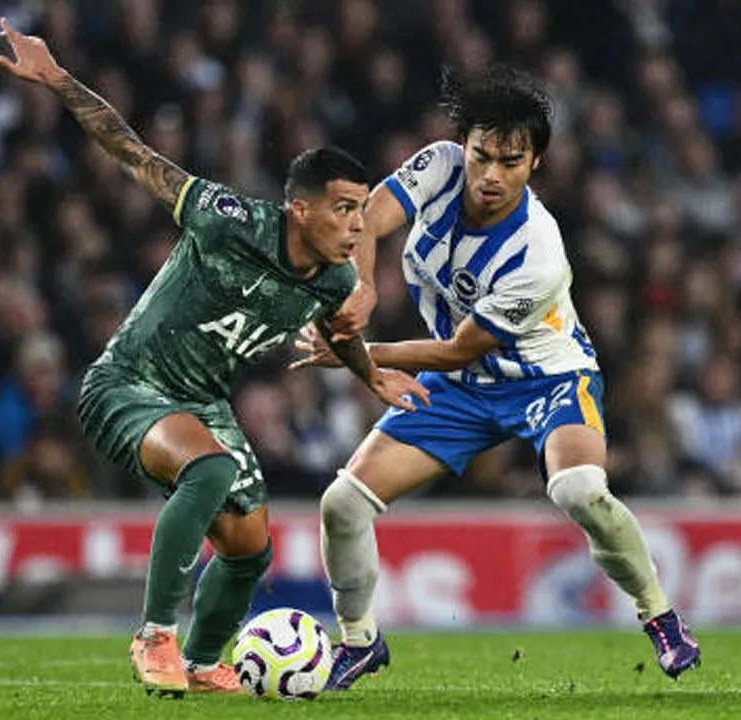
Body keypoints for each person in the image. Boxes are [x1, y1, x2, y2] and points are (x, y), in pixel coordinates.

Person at [0, 18, 429, 698]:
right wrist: (57, 81)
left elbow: (339, 329)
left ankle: (199, 664)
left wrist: (371, 376)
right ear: (300, 208)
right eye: (343, 210)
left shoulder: (338, 280)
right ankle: (154, 634)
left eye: (361, 212)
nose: (355, 225)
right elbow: (133, 152)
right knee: (209, 467)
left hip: (201, 401)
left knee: (251, 548)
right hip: (127, 383)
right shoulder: (231, 219)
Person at [293, 65, 701, 689]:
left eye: (510, 161)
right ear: (464, 146)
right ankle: (359, 642)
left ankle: (660, 615)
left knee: (579, 491)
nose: (490, 174)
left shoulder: (537, 254)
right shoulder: (437, 167)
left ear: (535, 162)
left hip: (545, 377)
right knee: (342, 505)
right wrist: (366, 288)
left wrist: (362, 354)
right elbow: (367, 220)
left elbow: (458, 349)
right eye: (481, 155)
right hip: (462, 392)